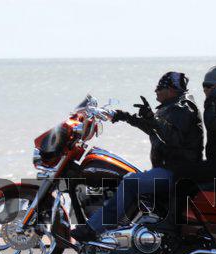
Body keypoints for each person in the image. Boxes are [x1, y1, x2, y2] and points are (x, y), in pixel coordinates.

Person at [71, 71, 204, 242]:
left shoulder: (183, 109)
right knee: (129, 177)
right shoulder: (174, 107)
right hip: (172, 168)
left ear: (171, 90)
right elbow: (155, 130)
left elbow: (172, 138)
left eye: (160, 87)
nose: (156, 91)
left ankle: (93, 229)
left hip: (177, 172)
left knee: (130, 183)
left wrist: (151, 119)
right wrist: (122, 116)